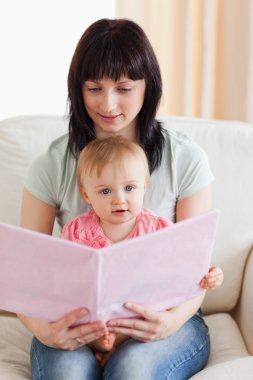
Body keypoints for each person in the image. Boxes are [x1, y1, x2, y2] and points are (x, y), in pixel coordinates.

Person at [18, 17, 219, 380]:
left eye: (123, 88)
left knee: (133, 368)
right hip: (79, 320)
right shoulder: (51, 164)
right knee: (67, 373)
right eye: (94, 87)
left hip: (169, 316)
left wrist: (170, 322)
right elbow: (22, 272)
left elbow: (196, 271)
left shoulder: (186, 159)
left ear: (148, 87)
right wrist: (42, 329)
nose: (107, 104)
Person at [61, 136, 223, 366]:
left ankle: (116, 348)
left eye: (129, 188)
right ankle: (103, 345)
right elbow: (63, 275)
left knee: (143, 328)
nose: (119, 199)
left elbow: (188, 267)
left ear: (144, 187)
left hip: (143, 317)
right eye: (105, 191)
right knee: (81, 323)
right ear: (87, 195)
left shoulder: (158, 229)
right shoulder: (77, 231)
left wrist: (210, 274)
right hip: (97, 319)